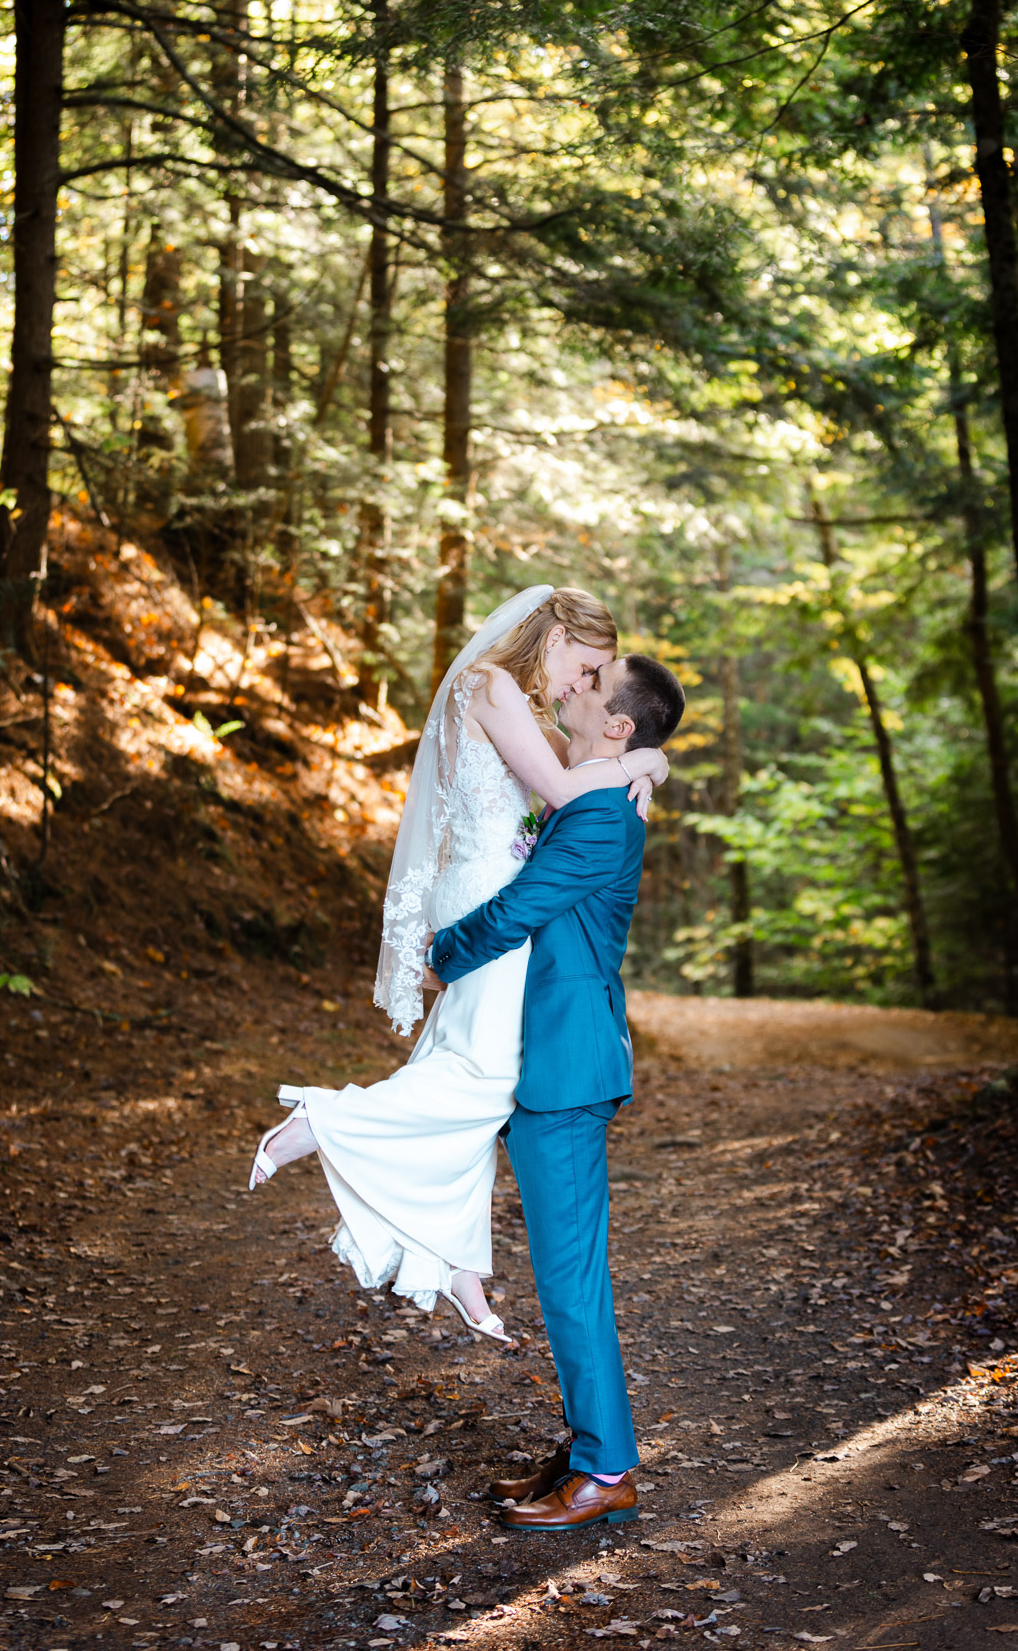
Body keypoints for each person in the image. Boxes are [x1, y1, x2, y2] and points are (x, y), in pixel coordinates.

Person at [245, 586, 669, 1342]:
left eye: (597, 674)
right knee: (487, 1077)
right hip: (483, 895)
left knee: (460, 1061)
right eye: (587, 663)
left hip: (486, 883)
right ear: (554, 635)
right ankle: (324, 1119)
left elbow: (554, 792)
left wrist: (641, 756)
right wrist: (647, 758)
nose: (581, 682)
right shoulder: (493, 685)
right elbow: (569, 790)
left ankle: (455, 1263)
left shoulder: (513, 698)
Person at [426, 652, 686, 1531]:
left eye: (590, 683)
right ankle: (586, 1449)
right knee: (562, 1275)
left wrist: (436, 958)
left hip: (566, 1071)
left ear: (617, 724)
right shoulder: (597, 792)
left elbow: (517, 911)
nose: (571, 686)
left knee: (572, 1280)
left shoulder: (602, 820)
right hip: (544, 1059)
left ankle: (607, 1470)